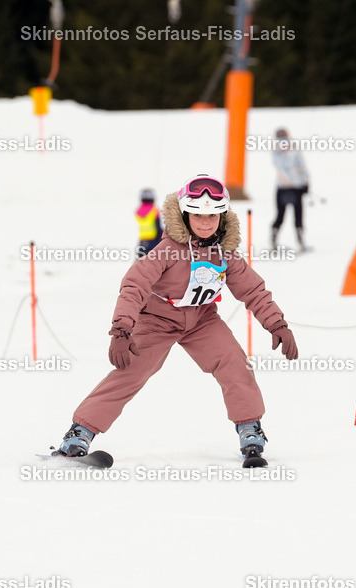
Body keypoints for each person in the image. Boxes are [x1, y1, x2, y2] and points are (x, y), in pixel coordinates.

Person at [57, 175, 299, 468]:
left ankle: (250, 429)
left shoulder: (225, 254)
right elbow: (134, 286)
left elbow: (253, 291)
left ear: (222, 217)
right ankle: (80, 432)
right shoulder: (167, 250)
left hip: (201, 319)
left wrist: (277, 325)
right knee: (131, 370)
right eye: (198, 215)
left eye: (212, 215)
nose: (206, 222)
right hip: (158, 319)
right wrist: (122, 329)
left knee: (234, 362)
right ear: (185, 215)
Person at [271, 128, 310, 253]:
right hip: (295, 188)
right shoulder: (293, 149)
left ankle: (274, 239)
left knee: (280, 215)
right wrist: (306, 182)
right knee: (298, 215)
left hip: (282, 188)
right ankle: (300, 242)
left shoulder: (275, 149)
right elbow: (302, 166)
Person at [134, 188, 163, 258]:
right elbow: (158, 227)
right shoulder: (154, 210)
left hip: (142, 240)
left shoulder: (138, 211)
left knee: (140, 262)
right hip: (154, 241)